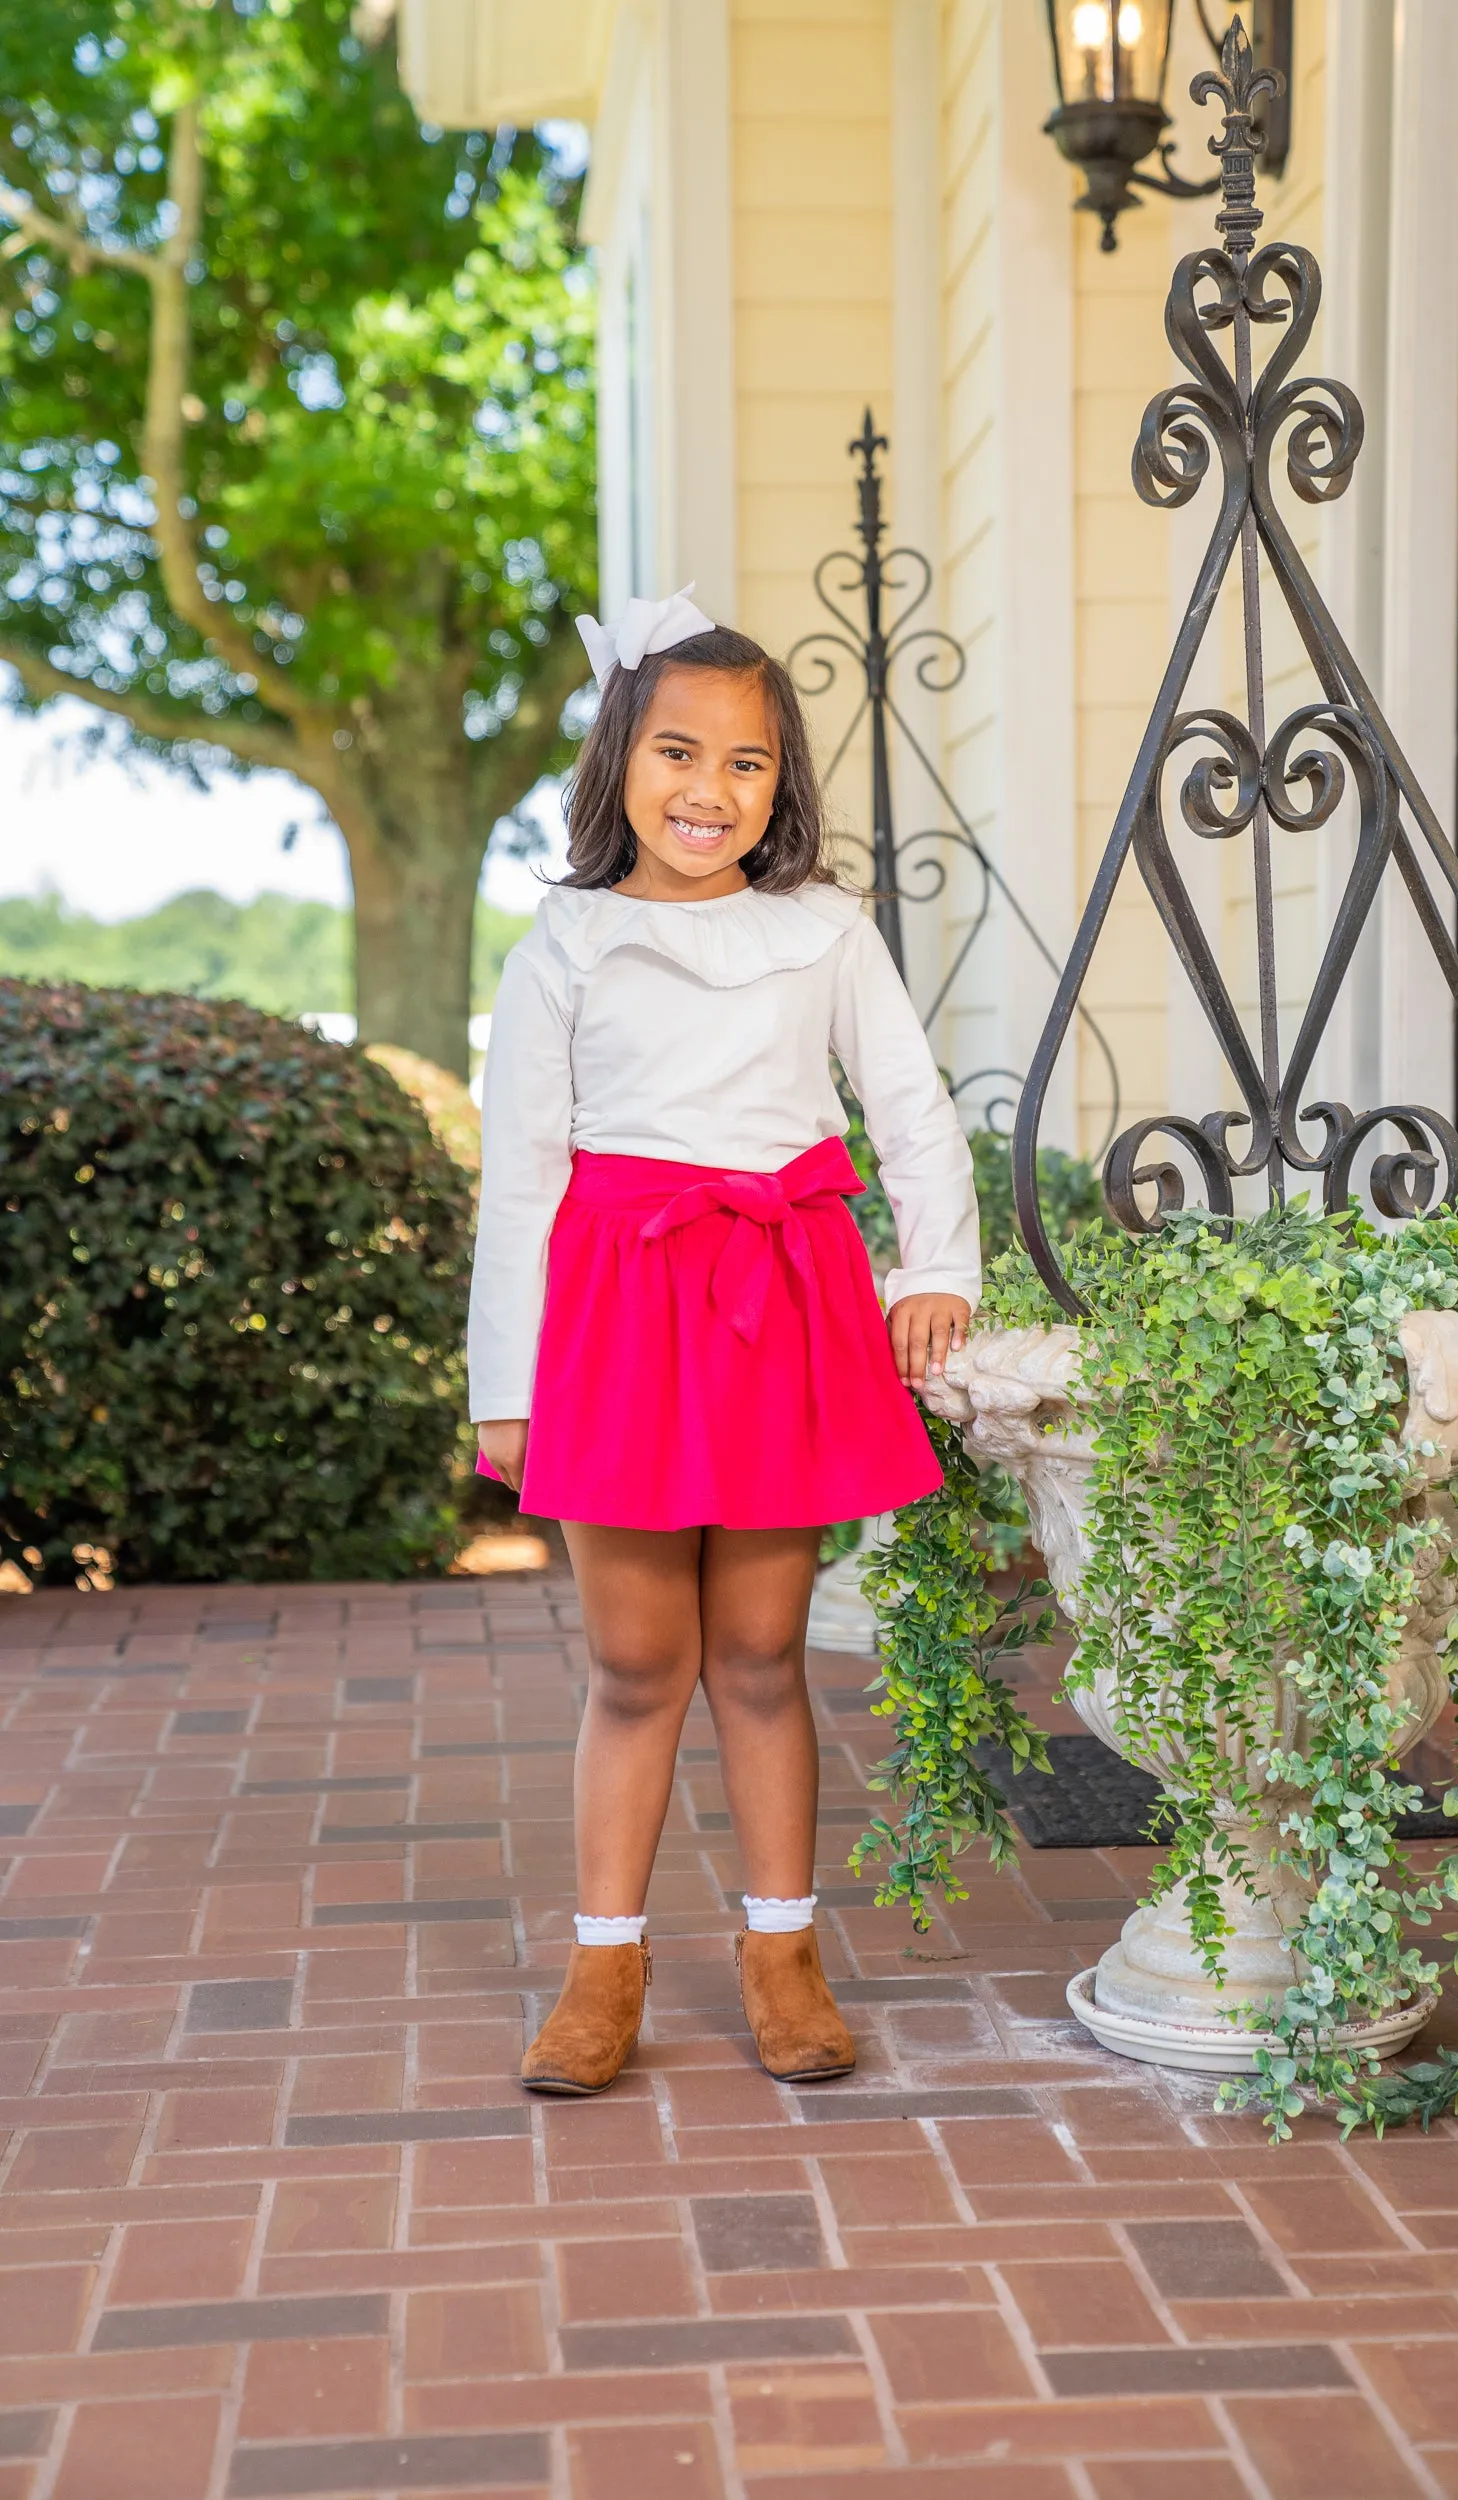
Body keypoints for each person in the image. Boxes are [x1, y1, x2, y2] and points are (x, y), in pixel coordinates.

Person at [469, 586, 980, 2096]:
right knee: (638, 1661)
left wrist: (931, 1266)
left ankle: (782, 1953)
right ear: (618, 760)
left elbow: (908, 1106)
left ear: (783, 782)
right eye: (677, 753)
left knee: (761, 1654)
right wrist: (506, 1382)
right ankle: (600, 1966)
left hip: (784, 1304)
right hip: (620, 1318)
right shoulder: (564, 942)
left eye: (746, 763)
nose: (709, 791)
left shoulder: (823, 929)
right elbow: (523, 1178)